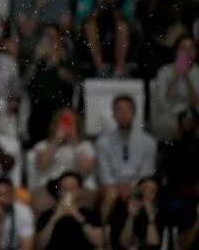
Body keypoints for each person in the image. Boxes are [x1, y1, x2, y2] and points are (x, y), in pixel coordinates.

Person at [96, 95, 157, 223]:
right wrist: (119, 187)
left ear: (134, 113)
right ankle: (104, 234)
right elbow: (105, 174)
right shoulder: (103, 142)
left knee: (149, 187)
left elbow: (146, 173)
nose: (123, 114)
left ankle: (150, 230)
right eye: (119, 110)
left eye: (127, 110)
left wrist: (131, 187)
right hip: (113, 186)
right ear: (113, 114)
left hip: (137, 184)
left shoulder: (148, 142)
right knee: (111, 193)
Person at [35, 172, 104, 249]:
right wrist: (54, 219)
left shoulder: (90, 214)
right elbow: (39, 246)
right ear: (59, 191)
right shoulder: (47, 214)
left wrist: (77, 216)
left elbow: (100, 242)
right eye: (64, 187)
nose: (68, 191)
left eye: (72, 187)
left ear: (80, 190)